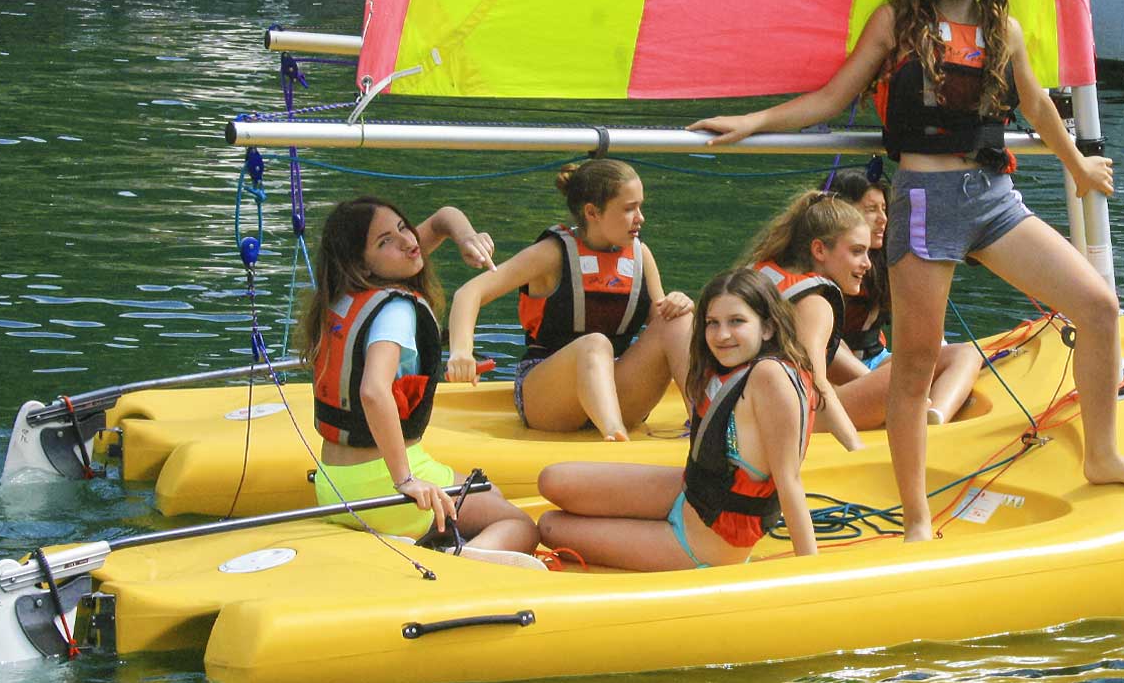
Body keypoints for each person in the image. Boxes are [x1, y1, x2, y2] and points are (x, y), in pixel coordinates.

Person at [690, 0, 1124, 543]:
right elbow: (833, 96)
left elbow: (1035, 107)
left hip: (993, 202)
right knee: (915, 366)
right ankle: (918, 517)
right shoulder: (897, 22)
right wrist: (753, 121)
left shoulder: (1004, 28)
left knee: (1099, 307)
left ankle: (1102, 453)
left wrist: (1078, 167)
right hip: (922, 207)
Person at [302, 196, 541, 567]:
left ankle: (433, 539)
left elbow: (444, 217)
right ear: (363, 262)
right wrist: (405, 481)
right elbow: (373, 391)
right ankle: (453, 562)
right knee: (519, 524)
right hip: (381, 487)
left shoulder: (343, 293)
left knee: (490, 492)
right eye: (385, 241)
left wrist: (466, 237)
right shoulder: (395, 310)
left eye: (402, 227)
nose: (407, 241)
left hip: (333, 484)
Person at [535, 269, 818, 570]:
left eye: (737, 321)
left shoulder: (769, 377)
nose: (722, 335)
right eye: (713, 323)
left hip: (703, 544)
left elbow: (790, 481)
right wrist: (684, 306)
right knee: (552, 480)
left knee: (551, 527)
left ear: (767, 328)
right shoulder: (728, 367)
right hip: (688, 495)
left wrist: (810, 574)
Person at [447, 159, 691, 440]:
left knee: (680, 319)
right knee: (595, 343)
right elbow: (469, 293)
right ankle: (615, 437)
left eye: (640, 206)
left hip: (615, 384)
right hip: (549, 398)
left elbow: (663, 323)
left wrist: (679, 302)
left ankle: (704, 420)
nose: (640, 218)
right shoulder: (551, 254)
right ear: (592, 212)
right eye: (628, 209)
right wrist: (462, 351)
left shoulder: (641, 255)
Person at [822, 168, 981, 431]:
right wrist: (879, 384)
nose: (883, 219)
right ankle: (902, 406)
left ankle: (934, 418)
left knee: (965, 354)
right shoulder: (823, 266)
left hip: (876, 360)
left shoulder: (886, 259)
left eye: (884, 208)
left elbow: (916, 316)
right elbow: (827, 347)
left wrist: (935, 353)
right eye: (870, 209)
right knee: (835, 342)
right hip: (837, 376)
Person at [741, 190, 870, 451]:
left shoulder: (762, 271)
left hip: (736, 406)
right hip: (767, 419)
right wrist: (856, 447)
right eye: (857, 252)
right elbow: (815, 384)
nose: (867, 263)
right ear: (819, 249)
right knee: (898, 381)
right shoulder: (815, 305)